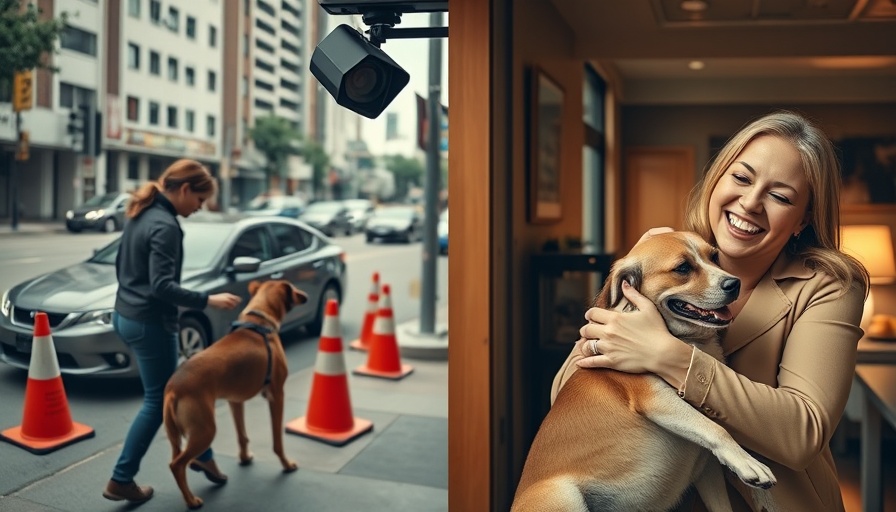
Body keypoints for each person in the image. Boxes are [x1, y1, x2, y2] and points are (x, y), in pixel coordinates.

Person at [551, 111, 870, 511]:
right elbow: (566, 394)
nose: (751, 202)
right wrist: (636, 274)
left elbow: (802, 433)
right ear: (717, 179)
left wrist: (666, 356)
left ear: (803, 218)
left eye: (780, 196)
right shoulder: (665, 256)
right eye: (741, 177)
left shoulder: (830, 285)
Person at [102, 159, 242, 503]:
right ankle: (121, 478)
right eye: (199, 200)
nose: (199, 208)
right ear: (184, 190)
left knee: (175, 391)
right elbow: (162, 286)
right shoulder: (165, 225)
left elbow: (123, 270)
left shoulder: (141, 212)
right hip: (150, 321)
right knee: (157, 401)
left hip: (125, 314)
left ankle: (203, 457)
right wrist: (207, 299)